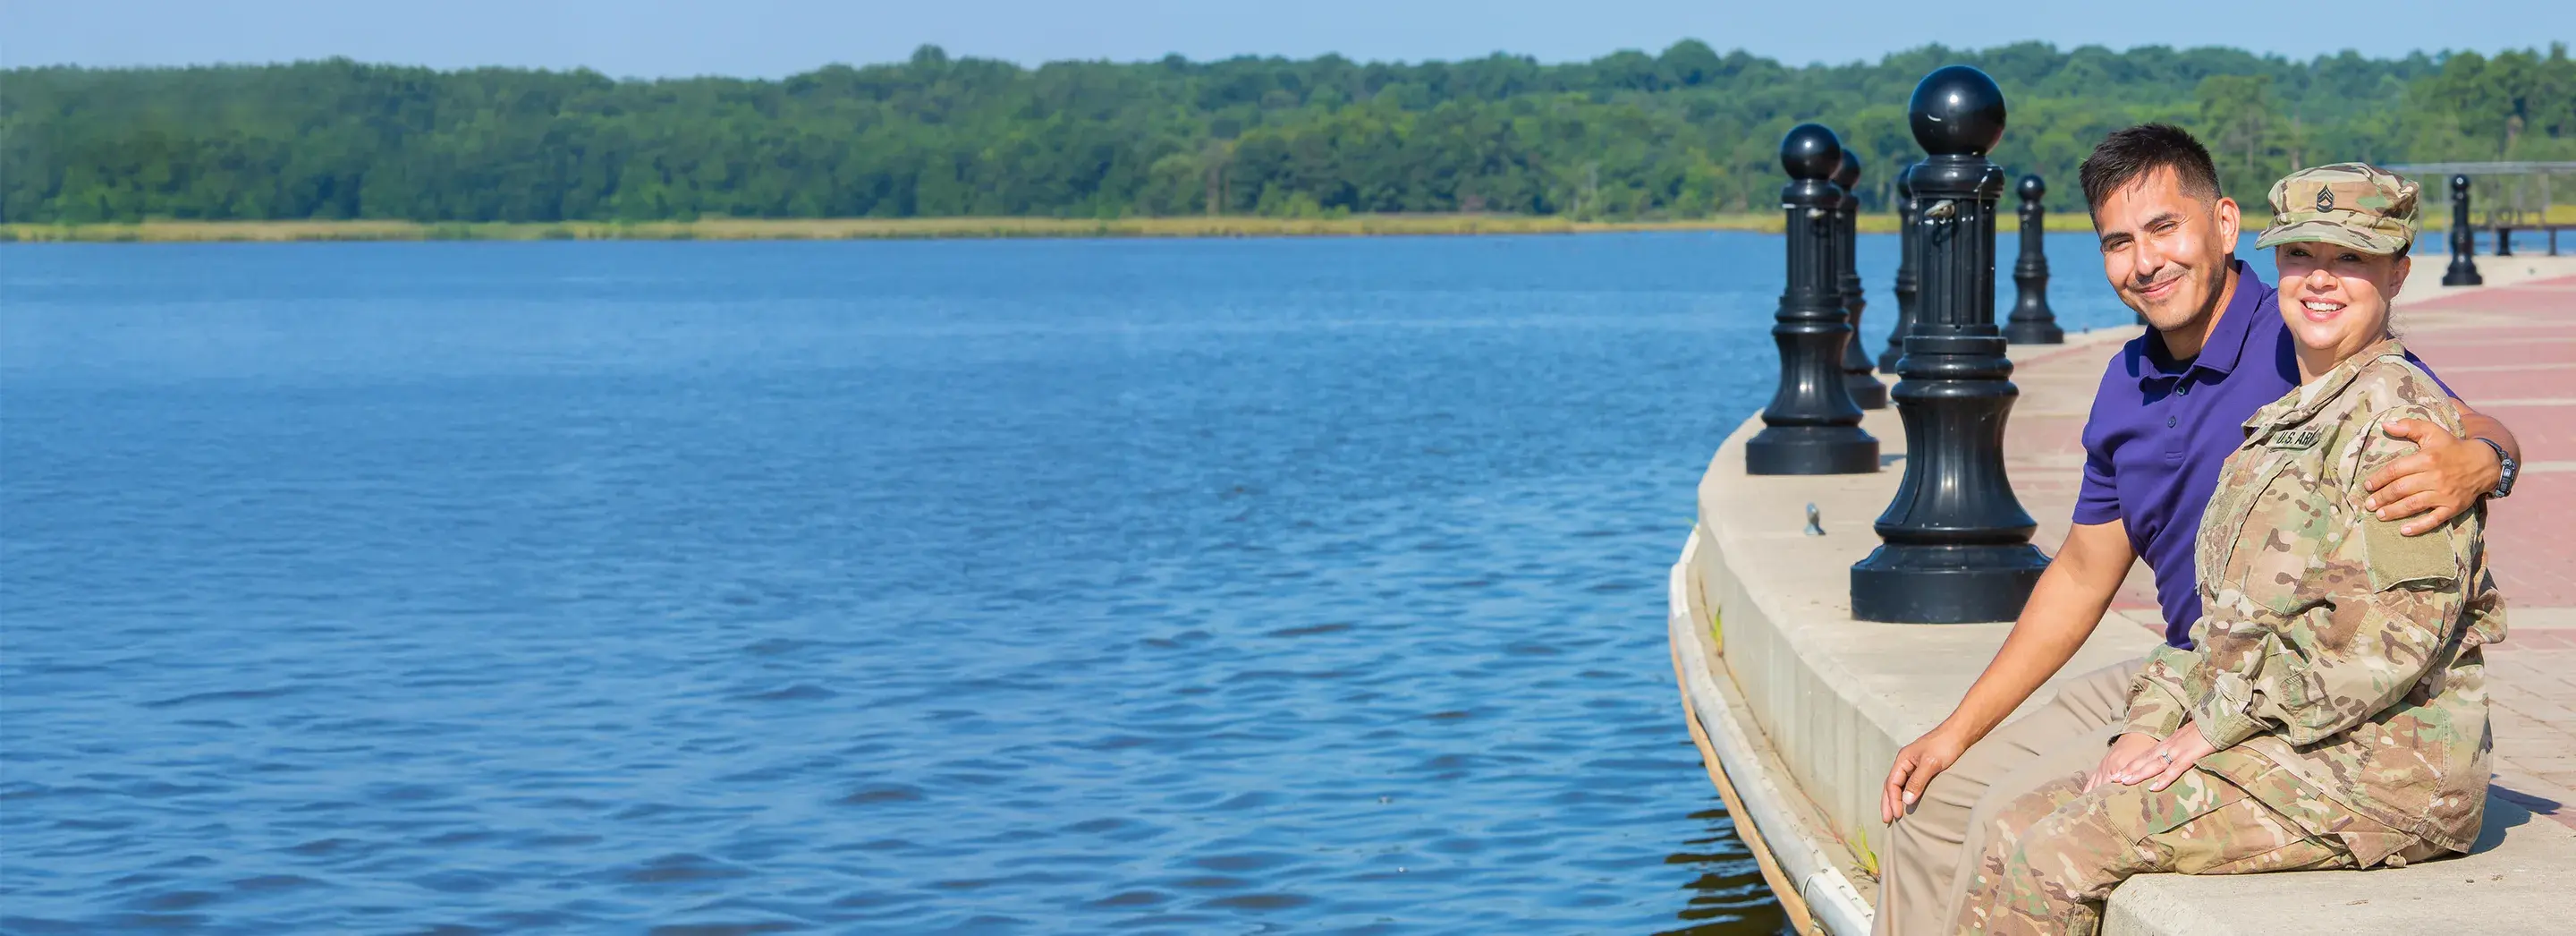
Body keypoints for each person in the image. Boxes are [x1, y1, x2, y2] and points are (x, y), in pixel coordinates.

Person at [1868, 125, 2528, 936]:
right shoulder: (2127, 379)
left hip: (2280, 699)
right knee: (1937, 801)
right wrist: (1953, 732)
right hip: (2194, 663)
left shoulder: (2303, 337)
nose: (2145, 262)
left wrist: (2487, 460)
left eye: (2163, 229)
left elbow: (2454, 427)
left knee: (2049, 836)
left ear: (2222, 226)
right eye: (2119, 242)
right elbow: (2081, 571)